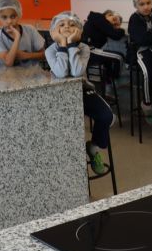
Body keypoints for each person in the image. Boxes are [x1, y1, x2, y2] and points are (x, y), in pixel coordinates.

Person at [45, 11, 113, 175]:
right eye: (61, 25)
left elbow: (76, 72)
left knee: (107, 116)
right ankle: (68, 162)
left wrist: (71, 45)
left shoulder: (83, 48)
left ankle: (93, 148)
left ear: (79, 31)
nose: (67, 27)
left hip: (82, 90)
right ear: (54, 31)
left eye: (72, 24)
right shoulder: (50, 50)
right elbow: (61, 73)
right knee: (67, 129)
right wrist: (63, 45)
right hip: (59, 94)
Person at [0, 0, 45, 67]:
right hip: (8, 74)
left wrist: (27, 55)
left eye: (13, 17)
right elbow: (8, 63)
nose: (9, 21)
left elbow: (44, 55)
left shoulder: (30, 30)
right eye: (4, 17)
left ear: (19, 15)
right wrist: (17, 38)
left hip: (33, 73)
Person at [82, 9, 126, 81]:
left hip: (89, 51)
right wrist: (119, 28)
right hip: (88, 51)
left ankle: (108, 81)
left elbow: (113, 33)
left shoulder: (101, 27)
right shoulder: (98, 17)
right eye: (110, 15)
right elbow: (116, 35)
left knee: (109, 60)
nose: (113, 19)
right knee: (119, 57)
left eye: (115, 23)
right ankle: (115, 82)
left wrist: (115, 27)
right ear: (104, 15)